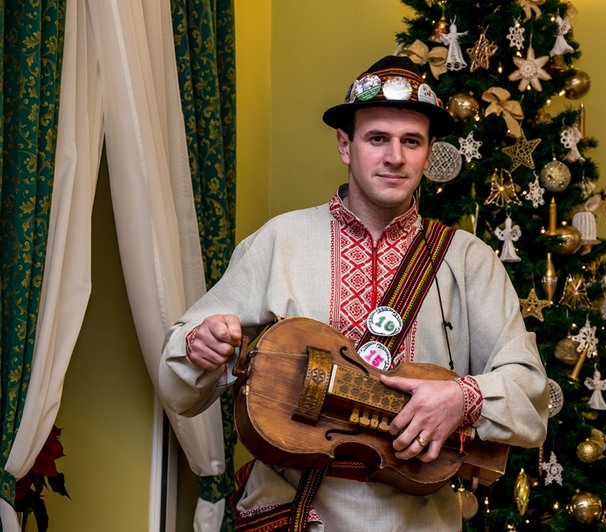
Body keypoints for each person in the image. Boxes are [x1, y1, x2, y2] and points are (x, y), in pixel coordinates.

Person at [159, 55, 548, 531]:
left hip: (419, 521)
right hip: (296, 514)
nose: (395, 157)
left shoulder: (468, 259)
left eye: (411, 141)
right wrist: (199, 346)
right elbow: (179, 384)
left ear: (428, 153)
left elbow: (530, 391)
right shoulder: (281, 239)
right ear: (345, 145)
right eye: (377, 138)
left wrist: (461, 398)